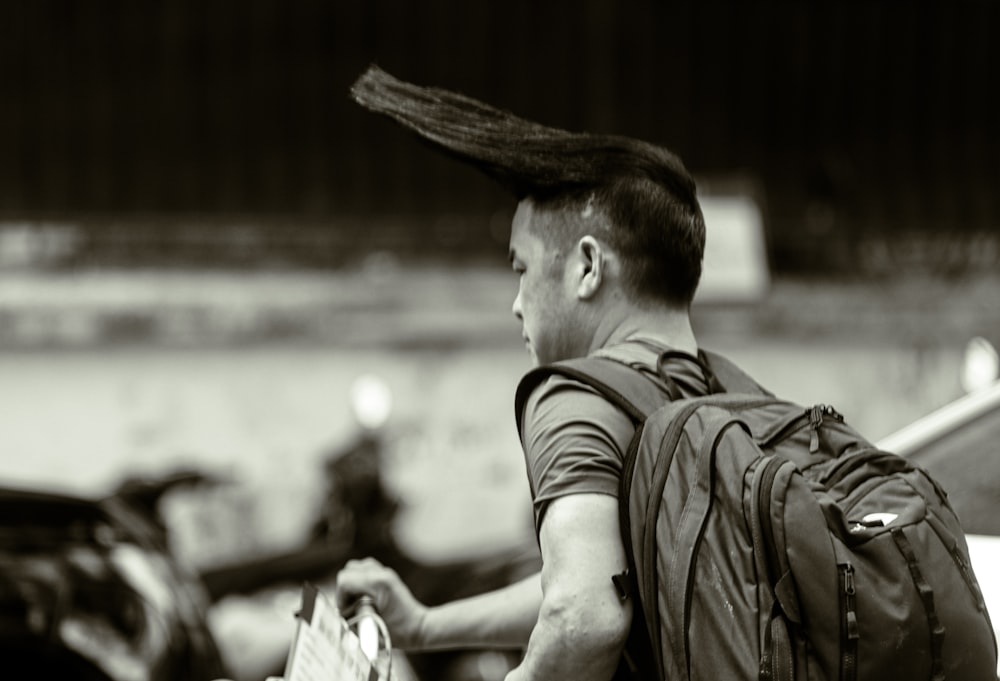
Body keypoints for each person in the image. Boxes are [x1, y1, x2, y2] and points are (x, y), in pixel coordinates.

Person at [332, 66, 713, 681]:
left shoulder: (578, 396)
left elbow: (583, 619)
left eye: (521, 270)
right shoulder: (722, 396)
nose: (516, 303)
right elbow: (598, 585)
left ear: (588, 268)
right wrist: (426, 626)